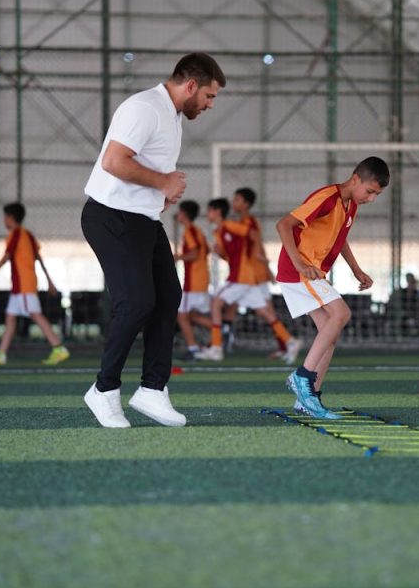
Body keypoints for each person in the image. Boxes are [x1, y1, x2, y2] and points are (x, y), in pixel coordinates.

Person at [81, 52, 225, 429]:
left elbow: (138, 168)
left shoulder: (173, 116)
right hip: (109, 216)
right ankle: (104, 390)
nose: (210, 105)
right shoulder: (145, 107)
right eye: (209, 96)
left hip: (142, 219)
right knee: (136, 303)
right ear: (190, 86)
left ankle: (152, 390)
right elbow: (113, 161)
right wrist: (163, 182)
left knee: (167, 298)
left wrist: (158, 196)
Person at [276, 157, 389, 419]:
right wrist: (301, 265)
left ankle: (308, 398)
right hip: (300, 270)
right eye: (370, 192)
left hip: (311, 272)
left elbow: (341, 238)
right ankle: (301, 377)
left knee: (330, 331)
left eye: (377, 195)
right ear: (355, 179)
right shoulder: (328, 198)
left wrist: (356, 269)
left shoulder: (351, 206)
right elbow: (284, 225)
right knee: (341, 314)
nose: (371, 199)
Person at [195, 198, 301, 363]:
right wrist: (220, 253)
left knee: (216, 303)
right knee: (264, 312)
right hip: (246, 278)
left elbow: (252, 234)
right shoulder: (219, 232)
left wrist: (259, 255)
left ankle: (216, 347)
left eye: (209, 210)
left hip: (240, 277)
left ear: (217, 212)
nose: (207, 214)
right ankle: (290, 341)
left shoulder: (230, 225)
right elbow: (230, 256)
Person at [0, 202, 70, 366]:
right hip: (21, 287)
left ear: (11, 218)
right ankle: (1, 353)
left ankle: (58, 347)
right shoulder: (28, 235)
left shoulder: (15, 234)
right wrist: (50, 281)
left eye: (5, 217)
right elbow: (39, 258)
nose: (4, 220)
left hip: (24, 286)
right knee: (11, 318)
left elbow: (6, 257)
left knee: (35, 315)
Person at [231, 187, 287, 359]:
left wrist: (267, 268)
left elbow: (257, 246)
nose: (234, 202)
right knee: (265, 312)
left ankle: (287, 344)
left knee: (263, 311)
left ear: (246, 204)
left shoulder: (249, 222)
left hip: (254, 273)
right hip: (251, 273)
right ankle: (285, 345)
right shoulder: (242, 222)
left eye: (237, 200)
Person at [174, 200, 213, 360]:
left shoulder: (189, 231)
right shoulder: (197, 231)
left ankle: (193, 348)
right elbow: (207, 250)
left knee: (181, 315)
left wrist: (178, 257)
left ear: (184, 214)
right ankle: (220, 329)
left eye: (180, 212)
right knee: (192, 316)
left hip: (193, 282)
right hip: (201, 279)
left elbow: (195, 254)